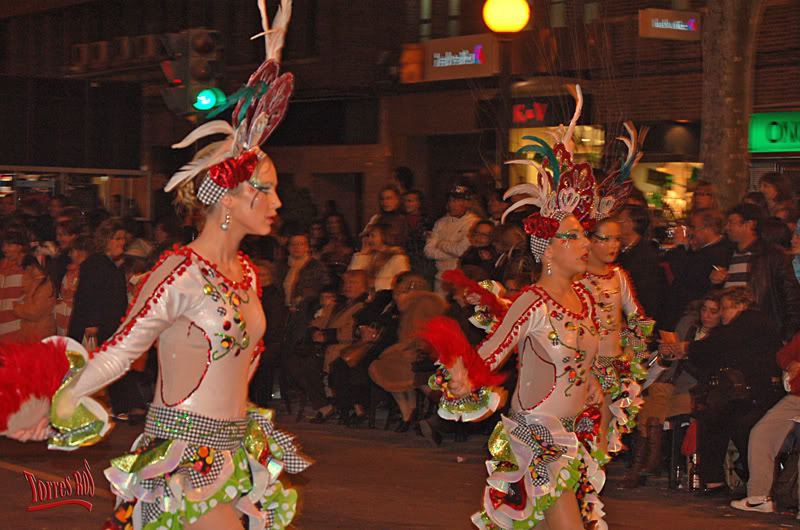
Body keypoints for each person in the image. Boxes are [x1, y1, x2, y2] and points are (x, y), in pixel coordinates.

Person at [7, 4, 310, 528]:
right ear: (227, 198)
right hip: (186, 458)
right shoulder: (179, 273)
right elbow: (121, 351)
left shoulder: (247, 272)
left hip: (236, 454)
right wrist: (59, 401)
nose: (278, 202)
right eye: (266, 189)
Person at [421, 119, 609, 528]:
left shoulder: (587, 300)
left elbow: (582, 364)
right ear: (546, 250)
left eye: (583, 237)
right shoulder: (532, 300)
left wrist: (591, 385)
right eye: (572, 237)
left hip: (575, 437)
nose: (584, 245)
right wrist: (460, 376)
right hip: (538, 438)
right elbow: (486, 356)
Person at [659, 287, 783, 494]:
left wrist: (687, 348)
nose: (722, 314)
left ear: (741, 306)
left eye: (725, 308)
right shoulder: (735, 329)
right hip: (742, 392)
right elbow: (714, 354)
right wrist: (683, 354)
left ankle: (758, 484)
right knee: (712, 417)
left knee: (741, 424)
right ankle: (714, 482)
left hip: (762, 392)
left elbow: (721, 344)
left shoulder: (753, 319)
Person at [623, 292, 723, 488]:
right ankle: (651, 461)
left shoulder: (719, 338)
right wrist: (667, 354)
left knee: (651, 404)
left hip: (697, 392)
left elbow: (707, 372)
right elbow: (670, 367)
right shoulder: (690, 327)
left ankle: (641, 467)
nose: (707, 315)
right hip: (673, 386)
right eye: (704, 310)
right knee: (654, 399)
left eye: (713, 311)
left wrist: (684, 355)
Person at [577, 217, 652, 456]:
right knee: (579, 432)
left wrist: (633, 350)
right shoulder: (575, 277)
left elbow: (636, 317)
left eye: (617, 239)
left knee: (603, 430)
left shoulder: (618, 275)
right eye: (606, 239)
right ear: (589, 240)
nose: (613, 246)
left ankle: (591, 485)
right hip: (580, 367)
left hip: (611, 366)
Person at [731, 330, 800, 514]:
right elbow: (783, 354)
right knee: (762, 433)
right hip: (797, 398)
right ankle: (758, 497)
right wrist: (790, 363)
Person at [713, 202, 800, 343]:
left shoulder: (772, 256)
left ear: (750, 224)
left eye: (731, 222)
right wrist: (715, 282)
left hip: (759, 332)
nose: (726, 228)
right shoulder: (726, 254)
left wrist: (786, 336)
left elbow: (791, 299)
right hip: (728, 330)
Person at [369, 276, 446, 433]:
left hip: (426, 351)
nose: (396, 298)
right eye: (395, 294)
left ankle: (409, 412)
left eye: (400, 294)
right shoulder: (410, 308)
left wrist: (400, 348)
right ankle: (408, 411)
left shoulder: (425, 305)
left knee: (387, 365)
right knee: (387, 363)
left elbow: (422, 336)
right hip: (413, 350)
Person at [661, 208, 733, 331]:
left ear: (708, 228)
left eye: (694, 227)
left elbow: (685, 275)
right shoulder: (706, 250)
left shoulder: (717, 253)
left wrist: (679, 247)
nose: (691, 232)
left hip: (694, 316)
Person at [425, 183, 479, 294]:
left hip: (461, 279)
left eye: (456, 201)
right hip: (440, 277)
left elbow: (462, 251)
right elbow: (428, 251)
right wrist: (452, 251)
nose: (452, 204)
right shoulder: (440, 222)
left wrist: (439, 242)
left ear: (466, 203)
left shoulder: (473, 223)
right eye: (450, 201)